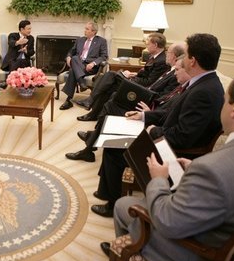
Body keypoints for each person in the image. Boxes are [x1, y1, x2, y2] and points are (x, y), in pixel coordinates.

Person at [110, 69, 234, 261]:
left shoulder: (211, 168)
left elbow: (167, 221)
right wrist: (194, 172)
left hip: (202, 260)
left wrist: (159, 180)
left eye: (225, 101)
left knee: (124, 205)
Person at [92, 33, 224, 218]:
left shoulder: (204, 92)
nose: (181, 59)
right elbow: (171, 113)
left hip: (174, 153)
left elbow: (183, 137)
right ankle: (108, 192)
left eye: (185, 55)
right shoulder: (203, 84)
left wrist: (153, 130)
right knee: (115, 132)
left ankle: (113, 205)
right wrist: (145, 116)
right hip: (166, 139)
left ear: (192, 61)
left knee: (114, 148)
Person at [66, 43, 185, 163]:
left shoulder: (175, 75)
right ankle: (91, 136)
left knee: (111, 92)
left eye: (168, 52)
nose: (166, 54)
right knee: (110, 91)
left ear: (174, 56)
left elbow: (160, 95)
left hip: (145, 101)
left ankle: (91, 136)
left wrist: (146, 102)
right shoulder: (171, 70)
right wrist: (135, 76)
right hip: (144, 94)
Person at [74, 32, 170, 117]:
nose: (146, 46)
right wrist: (134, 74)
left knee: (110, 75)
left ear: (155, 45)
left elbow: (150, 82)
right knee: (108, 86)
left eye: (148, 44)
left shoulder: (161, 61)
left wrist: (132, 78)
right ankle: (93, 113)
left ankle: (90, 101)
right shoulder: (153, 56)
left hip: (142, 89)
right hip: (138, 82)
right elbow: (147, 74)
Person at [59, 21, 108, 110]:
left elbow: (104, 56)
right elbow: (71, 51)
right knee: (74, 58)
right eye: (85, 28)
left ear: (93, 31)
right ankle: (81, 83)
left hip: (90, 67)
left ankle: (68, 100)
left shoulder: (101, 41)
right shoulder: (80, 40)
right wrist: (68, 57)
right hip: (79, 64)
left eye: (87, 29)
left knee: (72, 70)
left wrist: (93, 63)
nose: (84, 30)